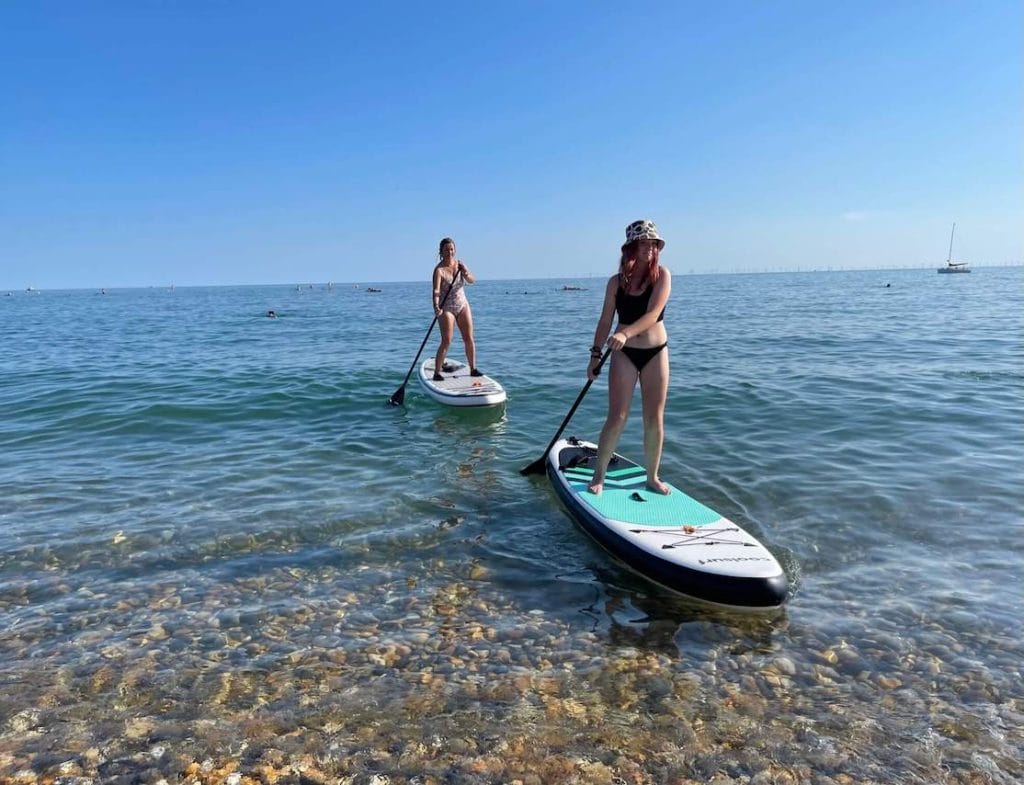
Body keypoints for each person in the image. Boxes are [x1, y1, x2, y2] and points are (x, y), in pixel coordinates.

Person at [586, 220, 673, 495]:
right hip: (622, 355)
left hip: (655, 351)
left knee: (653, 416)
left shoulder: (663, 276)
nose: (649, 247)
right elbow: (604, 321)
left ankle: (652, 477)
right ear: (631, 247)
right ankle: (598, 476)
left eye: (653, 243)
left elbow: (652, 314)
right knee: (617, 415)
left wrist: (625, 333)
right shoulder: (616, 282)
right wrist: (595, 354)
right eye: (643, 242)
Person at [431, 237, 482, 381]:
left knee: (469, 338)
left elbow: (472, 280)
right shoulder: (439, 270)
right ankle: (436, 372)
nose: (449, 252)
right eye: (446, 250)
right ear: (441, 252)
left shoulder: (460, 265)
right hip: (446, 307)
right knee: (447, 340)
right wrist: (436, 307)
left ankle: (473, 369)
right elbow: (436, 292)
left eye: (451, 249)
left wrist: (465, 272)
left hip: (462, 304)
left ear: (455, 250)